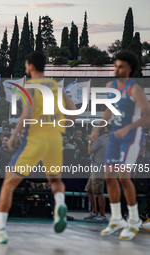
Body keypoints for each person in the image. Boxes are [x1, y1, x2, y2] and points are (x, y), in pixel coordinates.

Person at [0, 51, 77, 243]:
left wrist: (15, 135)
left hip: (35, 140)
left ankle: (0, 230)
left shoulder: (31, 85)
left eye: (26, 65)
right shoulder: (56, 87)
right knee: (55, 181)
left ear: (31, 66)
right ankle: (59, 207)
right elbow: (74, 113)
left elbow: (26, 113)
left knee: (9, 184)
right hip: (55, 139)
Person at [89, 51, 150, 240]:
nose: (116, 69)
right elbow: (109, 109)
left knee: (123, 177)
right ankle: (116, 219)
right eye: (115, 66)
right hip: (115, 135)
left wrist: (128, 128)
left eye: (120, 66)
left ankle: (134, 220)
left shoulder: (135, 89)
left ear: (130, 69)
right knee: (109, 176)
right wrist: (97, 129)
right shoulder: (111, 86)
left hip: (131, 135)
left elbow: (147, 116)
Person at [84, 128, 108, 220]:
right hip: (96, 169)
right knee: (89, 190)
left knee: (99, 192)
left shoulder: (99, 140)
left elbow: (90, 151)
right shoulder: (103, 139)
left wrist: (89, 141)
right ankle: (94, 212)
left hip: (99, 170)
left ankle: (102, 215)